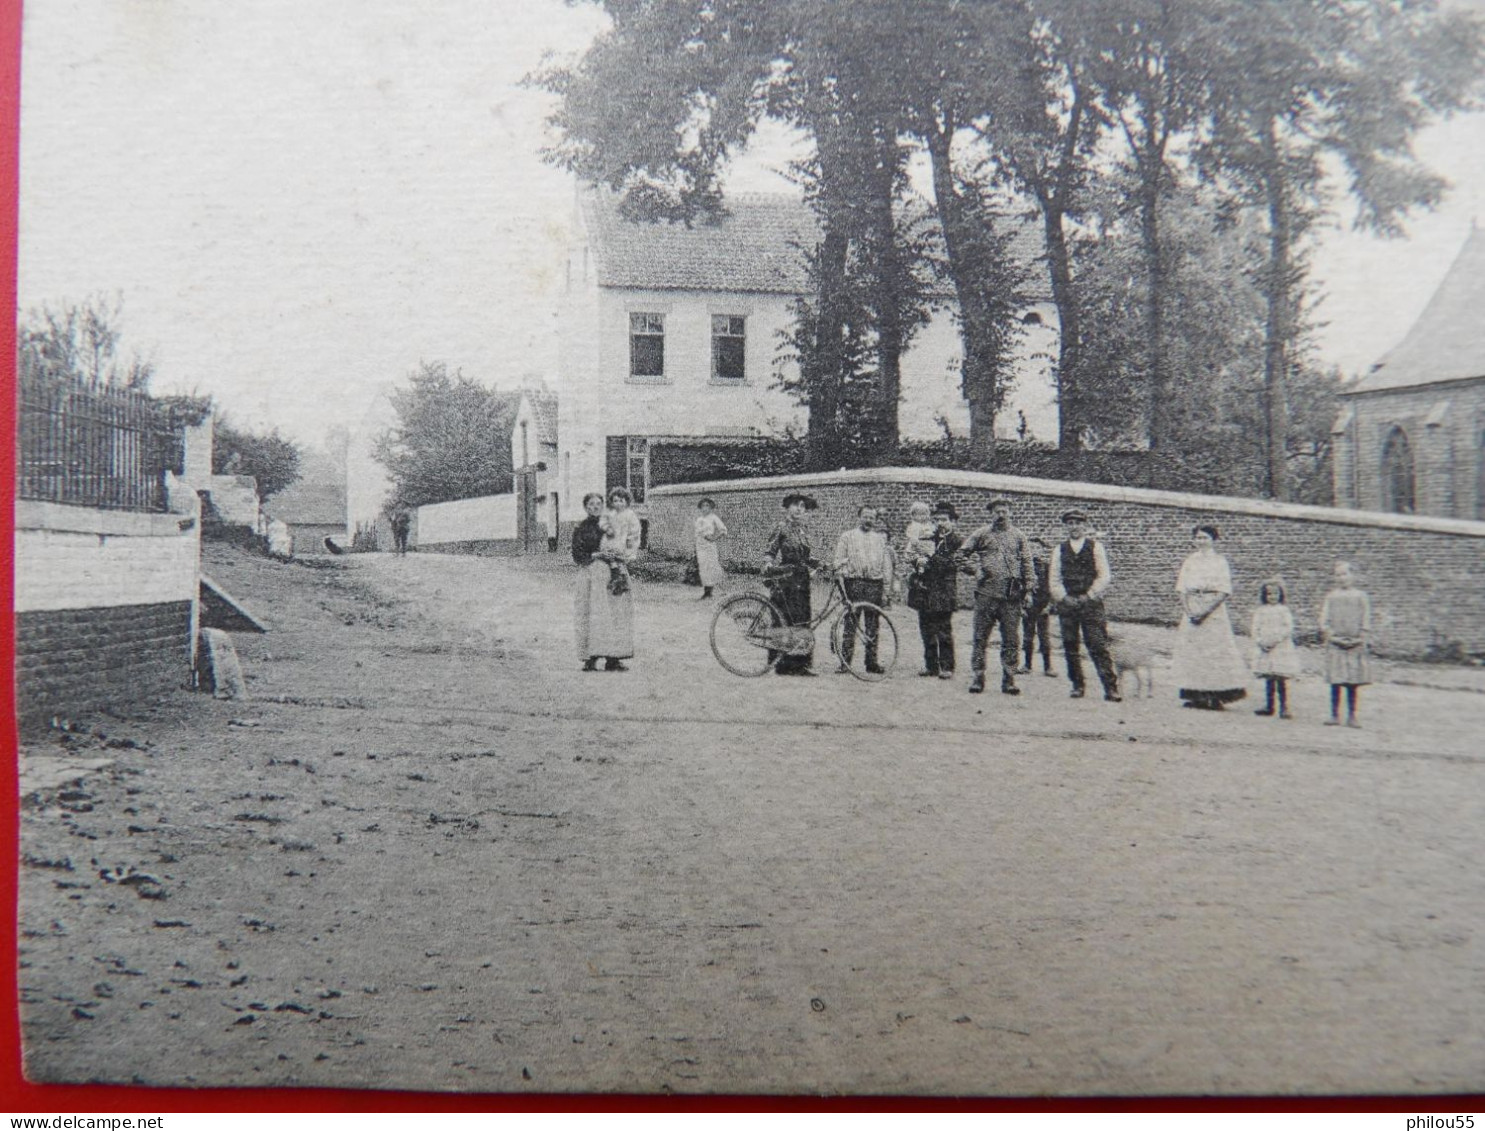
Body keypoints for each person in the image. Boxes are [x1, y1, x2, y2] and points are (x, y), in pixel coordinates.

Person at [959, 496, 1034, 695]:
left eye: (1004, 511)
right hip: (986, 594)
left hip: (1011, 597)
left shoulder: (1019, 536)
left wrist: (1028, 591)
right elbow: (960, 555)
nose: (1000, 515)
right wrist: (974, 570)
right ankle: (977, 677)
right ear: (990, 513)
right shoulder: (981, 534)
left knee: (1011, 639)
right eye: (996, 511)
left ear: (1010, 513)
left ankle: (1009, 679)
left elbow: (1027, 563)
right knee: (980, 637)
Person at [1171, 524, 1248, 709]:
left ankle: (1216, 696)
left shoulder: (1220, 561)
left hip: (1212, 609)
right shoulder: (1190, 560)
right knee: (1193, 653)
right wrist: (1189, 611)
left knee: (1214, 653)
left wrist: (1205, 611)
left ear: (1214, 540)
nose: (1201, 541)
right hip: (1192, 606)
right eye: (1198, 538)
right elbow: (1181, 588)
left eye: (1205, 538)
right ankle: (1196, 694)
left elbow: (1224, 590)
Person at [1049, 509, 1121, 701]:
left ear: (1085, 526)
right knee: (1070, 645)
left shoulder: (1096, 547)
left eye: (1078, 523)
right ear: (1066, 526)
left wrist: (1089, 595)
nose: (1074, 527)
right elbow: (1054, 579)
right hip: (1068, 604)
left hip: (1091, 604)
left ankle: (1110, 687)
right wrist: (1064, 597)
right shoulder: (1059, 550)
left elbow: (1104, 576)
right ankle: (1077, 685)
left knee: (1097, 644)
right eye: (1070, 523)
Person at [832, 504, 897, 675]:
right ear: (859, 517)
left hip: (874, 586)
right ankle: (845, 662)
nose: (868, 520)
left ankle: (871, 662)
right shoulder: (847, 537)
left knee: (873, 626)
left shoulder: (880, 540)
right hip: (854, 584)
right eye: (865, 516)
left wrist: (886, 591)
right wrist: (844, 575)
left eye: (872, 517)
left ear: (875, 520)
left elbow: (887, 567)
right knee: (850, 625)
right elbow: (838, 561)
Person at [572, 492, 633, 672]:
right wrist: (598, 554)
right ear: (585, 507)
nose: (595, 507)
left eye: (599, 504)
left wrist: (620, 555)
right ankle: (590, 658)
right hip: (591, 573)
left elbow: (623, 543)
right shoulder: (581, 528)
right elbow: (577, 554)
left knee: (615, 614)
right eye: (591, 504)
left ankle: (613, 658)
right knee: (591, 613)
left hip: (613, 572)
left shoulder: (612, 523)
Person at [763, 492, 818, 676]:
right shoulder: (781, 528)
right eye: (795, 505)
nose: (799, 509)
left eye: (802, 507)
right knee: (783, 620)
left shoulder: (803, 531)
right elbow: (770, 551)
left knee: (802, 620)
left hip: (802, 580)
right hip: (785, 579)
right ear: (787, 508)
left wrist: (819, 564)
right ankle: (781, 664)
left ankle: (800, 665)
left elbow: (807, 557)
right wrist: (768, 564)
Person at [907, 501, 962, 679]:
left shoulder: (957, 541)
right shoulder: (929, 536)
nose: (941, 523)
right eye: (937, 519)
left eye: (945, 520)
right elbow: (916, 553)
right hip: (926, 590)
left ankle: (947, 666)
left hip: (944, 591)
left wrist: (932, 557)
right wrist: (917, 561)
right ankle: (931, 666)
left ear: (953, 522)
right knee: (926, 629)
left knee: (943, 630)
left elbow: (952, 564)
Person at [1319, 560, 1372, 728]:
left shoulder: (1361, 596)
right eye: (1338, 575)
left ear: (1353, 575)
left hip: (1354, 645)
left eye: (1345, 574)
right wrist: (1333, 637)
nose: (1342, 578)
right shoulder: (1331, 597)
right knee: (1336, 680)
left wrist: (1360, 637)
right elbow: (1324, 621)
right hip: (1336, 644)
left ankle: (1352, 716)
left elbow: (1366, 620)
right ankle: (1334, 714)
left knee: (1352, 682)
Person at [1250, 577, 1300, 719]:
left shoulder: (1283, 610)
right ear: (1264, 596)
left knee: (1280, 678)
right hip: (1265, 648)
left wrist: (1275, 640)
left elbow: (1288, 628)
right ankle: (1269, 706)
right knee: (1269, 678)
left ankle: (1284, 707)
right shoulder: (1260, 611)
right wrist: (1260, 641)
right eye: (1269, 594)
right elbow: (1255, 628)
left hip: (1279, 648)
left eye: (1275, 594)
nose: (1272, 597)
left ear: (1281, 595)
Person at [1020, 536, 1055, 678]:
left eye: (1037, 548)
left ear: (1042, 551)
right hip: (1028, 607)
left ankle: (1048, 667)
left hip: (1042, 606)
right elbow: (1017, 588)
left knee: (1044, 637)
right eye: (1031, 548)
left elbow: (1053, 588)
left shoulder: (1048, 568)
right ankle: (1027, 665)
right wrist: (1020, 606)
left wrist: (1050, 605)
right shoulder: (1022, 569)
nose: (1034, 552)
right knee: (1027, 637)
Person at [693, 498, 728, 600]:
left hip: (709, 546)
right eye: (703, 506)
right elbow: (697, 533)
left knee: (712, 566)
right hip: (700, 546)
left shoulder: (713, 518)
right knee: (703, 567)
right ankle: (707, 592)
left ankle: (719, 589)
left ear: (711, 507)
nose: (705, 508)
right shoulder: (699, 519)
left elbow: (723, 530)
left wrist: (713, 538)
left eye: (707, 506)